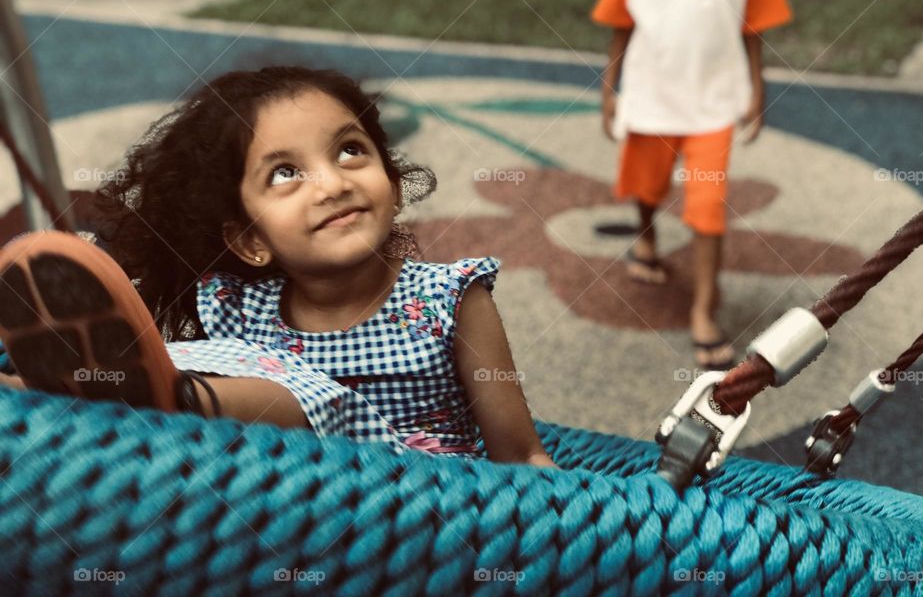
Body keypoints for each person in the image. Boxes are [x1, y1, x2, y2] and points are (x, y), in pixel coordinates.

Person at [0, 66, 556, 467]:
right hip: (285, 508)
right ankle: (39, 385)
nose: (332, 183)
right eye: (286, 173)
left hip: (416, 504)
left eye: (350, 151)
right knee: (203, 358)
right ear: (249, 240)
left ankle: (169, 397)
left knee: (306, 395)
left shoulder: (449, 299)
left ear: (392, 183)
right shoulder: (237, 305)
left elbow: (519, 453)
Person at [592, 0, 792, 368]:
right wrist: (609, 88)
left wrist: (756, 87)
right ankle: (647, 242)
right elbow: (623, 23)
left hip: (713, 105)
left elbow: (754, 27)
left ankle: (704, 309)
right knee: (647, 186)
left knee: (707, 206)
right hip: (650, 97)